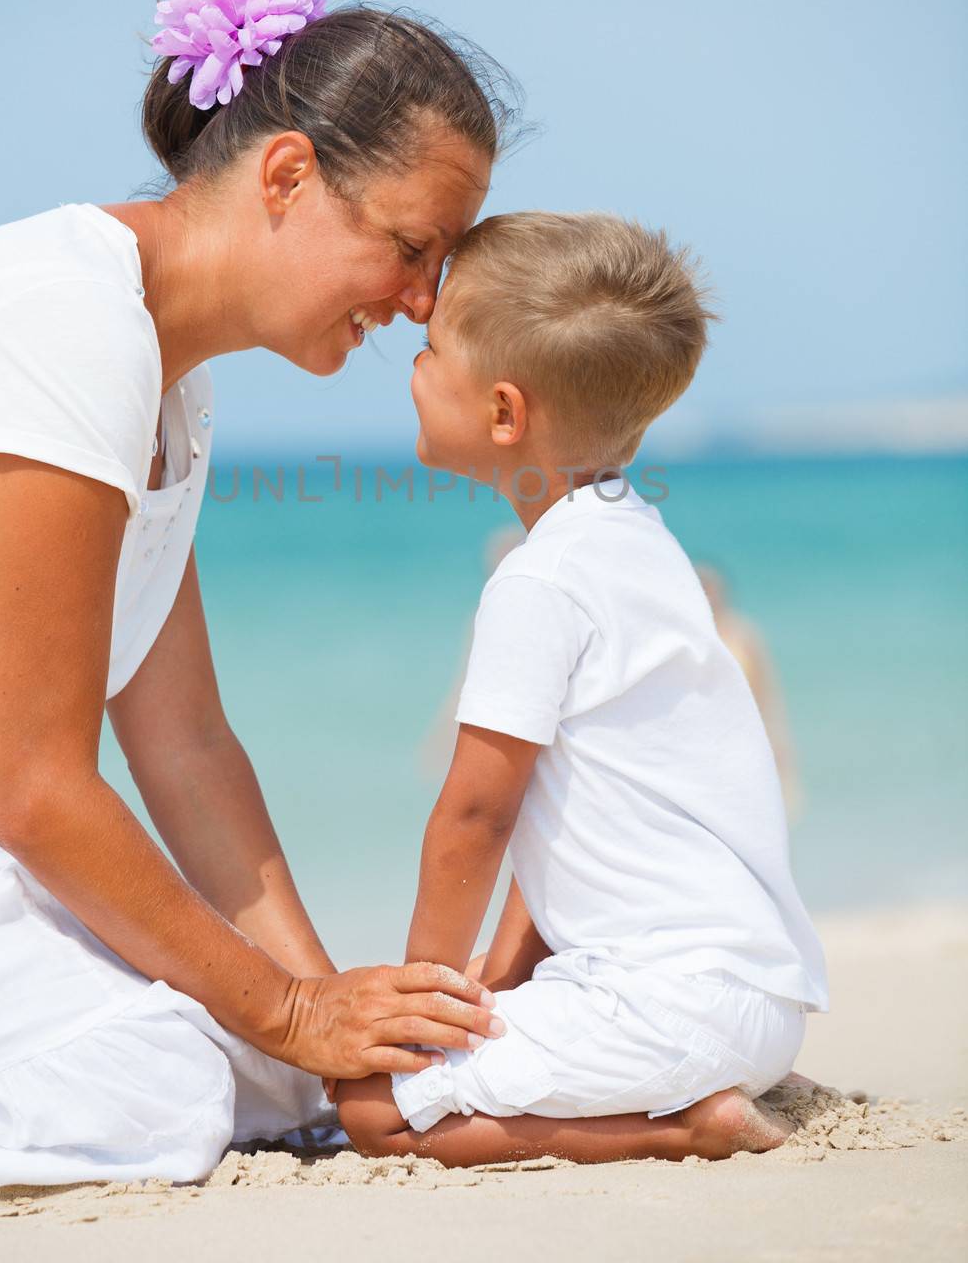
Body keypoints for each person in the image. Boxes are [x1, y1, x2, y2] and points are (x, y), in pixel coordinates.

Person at [0, 0, 514, 1196]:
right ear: (287, 174)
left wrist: (324, 1027)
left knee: (268, 1074)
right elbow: (38, 789)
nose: (417, 302)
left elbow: (183, 744)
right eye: (409, 247)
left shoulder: (170, 379)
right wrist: (288, 1012)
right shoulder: (68, 326)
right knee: (174, 1077)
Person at [336, 211, 829, 1166]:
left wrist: (420, 1004)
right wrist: (505, 982)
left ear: (504, 414)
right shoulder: (638, 542)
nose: (412, 362)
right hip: (751, 1000)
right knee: (487, 1025)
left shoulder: (537, 580)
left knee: (371, 1105)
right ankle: (707, 1084)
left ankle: (687, 1124)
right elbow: (553, 817)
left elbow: (475, 816)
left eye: (432, 349)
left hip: (664, 1008)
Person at [694, 564, 804, 819]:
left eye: (711, 589)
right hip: (705, 739)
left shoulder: (743, 633)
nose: (709, 596)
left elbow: (766, 691)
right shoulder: (689, 637)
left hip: (746, 734)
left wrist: (777, 743)